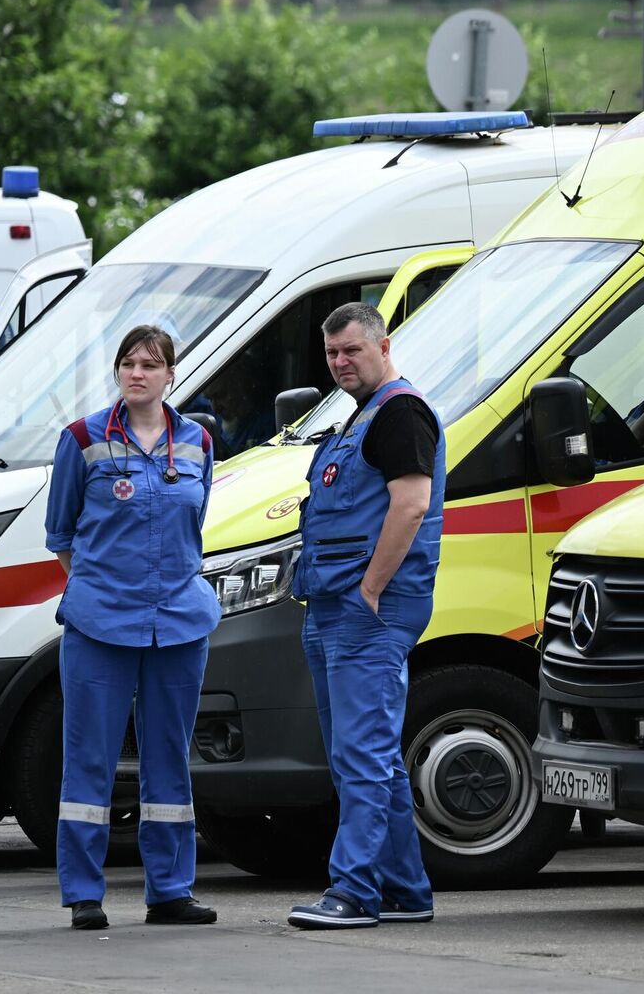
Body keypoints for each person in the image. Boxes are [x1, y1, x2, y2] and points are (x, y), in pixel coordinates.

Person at [44, 325, 222, 930]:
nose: (137, 373)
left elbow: (194, 522)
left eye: (150, 364)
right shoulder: (82, 439)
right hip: (100, 623)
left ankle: (170, 891)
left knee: (169, 756)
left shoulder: (197, 441)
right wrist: (104, 588)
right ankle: (83, 893)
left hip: (178, 621)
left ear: (171, 374)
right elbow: (61, 536)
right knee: (89, 757)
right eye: (128, 363)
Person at [286, 302, 445, 930]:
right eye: (331, 353)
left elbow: (411, 505)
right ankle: (405, 889)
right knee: (363, 752)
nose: (340, 362)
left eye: (351, 350)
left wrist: (371, 590)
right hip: (335, 603)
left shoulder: (400, 412)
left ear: (383, 347)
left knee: (362, 754)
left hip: (368, 608)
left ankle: (353, 891)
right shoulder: (362, 416)